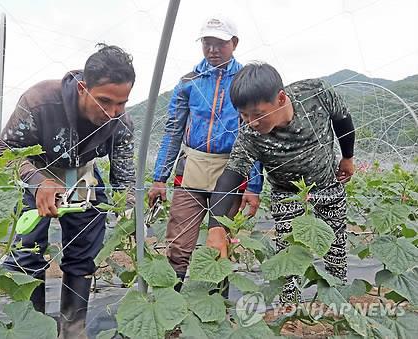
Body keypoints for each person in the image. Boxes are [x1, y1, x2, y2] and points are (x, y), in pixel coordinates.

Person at [0, 44, 136, 338]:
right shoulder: (40, 101)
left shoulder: (120, 122)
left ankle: (72, 330)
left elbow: (124, 176)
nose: (112, 112)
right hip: (35, 174)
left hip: (83, 175)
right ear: (83, 88)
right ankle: (32, 329)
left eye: (121, 103)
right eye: (105, 102)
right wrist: (37, 182)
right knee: (27, 254)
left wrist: (130, 210)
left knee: (83, 255)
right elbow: (4, 152)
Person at [206, 62, 355, 303]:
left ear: (281, 98)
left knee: (335, 250)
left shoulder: (316, 93)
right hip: (287, 195)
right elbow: (231, 176)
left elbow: (343, 120)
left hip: (328, 186)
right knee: (288, 258)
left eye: (257, 114)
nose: (252, 122)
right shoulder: (250, 135)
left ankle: (336, 305)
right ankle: (290, 310)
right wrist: (215, 226)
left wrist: (347, 157)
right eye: (244, 115)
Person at [148, 15, 264, 289]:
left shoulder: (245, 80)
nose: (212, 49)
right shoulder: (189, 81)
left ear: (234, 43)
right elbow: (173, 131)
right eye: (207, 43)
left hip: (233, 168)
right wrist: (158, 179)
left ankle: (216, 310)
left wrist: (255, 185)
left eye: (219, 44)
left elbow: (256, 133)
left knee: (219, 244)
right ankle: (170, 306)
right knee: (179, 242)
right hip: (193, 166)